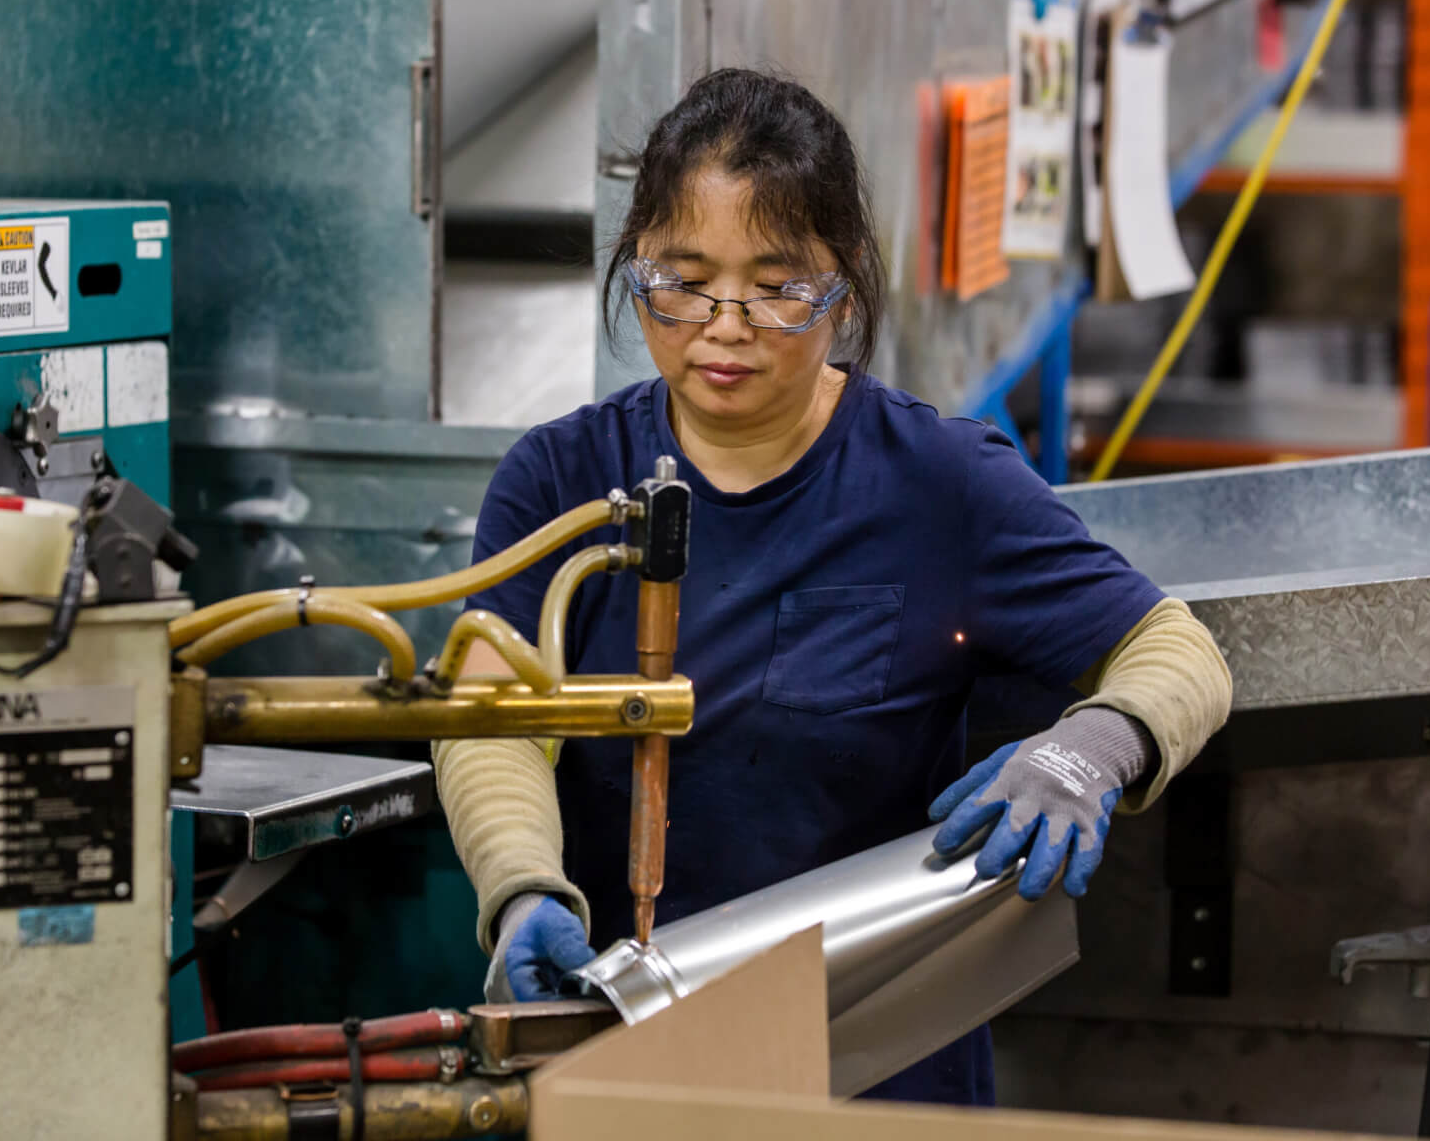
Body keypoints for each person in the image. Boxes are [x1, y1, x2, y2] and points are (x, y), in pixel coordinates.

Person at [433, 68, 1232, 1105]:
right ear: (635, 267)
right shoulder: (561, 478)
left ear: (846, 281)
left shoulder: (939, 482)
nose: (725, 325)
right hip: (626, 1044)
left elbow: (1178, 650)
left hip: (878, 1066)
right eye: (683, 280)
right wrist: (520, 889)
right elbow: (489, 714)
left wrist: (1090, 750)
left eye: (778, 286)